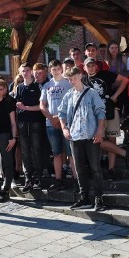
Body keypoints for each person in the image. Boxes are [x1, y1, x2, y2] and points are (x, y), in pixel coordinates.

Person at [58, 66, 107, 212]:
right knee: (79, 169)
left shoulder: (91, 93)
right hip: (75, 136)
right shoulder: (68, 95)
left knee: (95, 168)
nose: (72, 81)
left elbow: (100, 112)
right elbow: (61, 113)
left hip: (91, 135)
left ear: (80, 76)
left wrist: (99, 131)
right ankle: (84, 197)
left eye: (73, 78)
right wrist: (64, 128)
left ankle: (99, 198)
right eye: (69, 79)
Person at [83, 57, 129, 179]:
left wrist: (115, 95)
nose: (91, 67)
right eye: (88, 66)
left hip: (110, 110)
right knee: (97, 141)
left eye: (93, 65)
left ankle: (111, 170)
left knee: (111, 140)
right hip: (95, 116)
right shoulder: (83, 80)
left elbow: (124, 80)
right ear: (84, 68)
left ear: (96, 66)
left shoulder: (105, 74)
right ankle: (123, 152)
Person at [40, 59, 74, 191]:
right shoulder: (47, 86)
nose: (55, 71)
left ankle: (77, 181)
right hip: (51, 124)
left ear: (61, 69)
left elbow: (72, 103)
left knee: (71, 153)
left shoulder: (68, 84)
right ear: (50, 70)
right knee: (57, 153)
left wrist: (60, 118)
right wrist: (51, 117)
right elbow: (42, 105)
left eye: (57, 68)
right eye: (52, 69)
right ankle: (58, 180)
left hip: (66, 122)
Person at [15, 62, 44, 193]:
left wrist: (26, 108)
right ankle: (28, 178)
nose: (25, 73)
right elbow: (16, 105)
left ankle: (38, 176)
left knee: (37, 150)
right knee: (25, 151)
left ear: (31, 72)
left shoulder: (38, 87)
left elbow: (41, 106)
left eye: (27, 70)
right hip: (22, 123)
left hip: (35, 122)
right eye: (23, 71)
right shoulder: (19, 87)